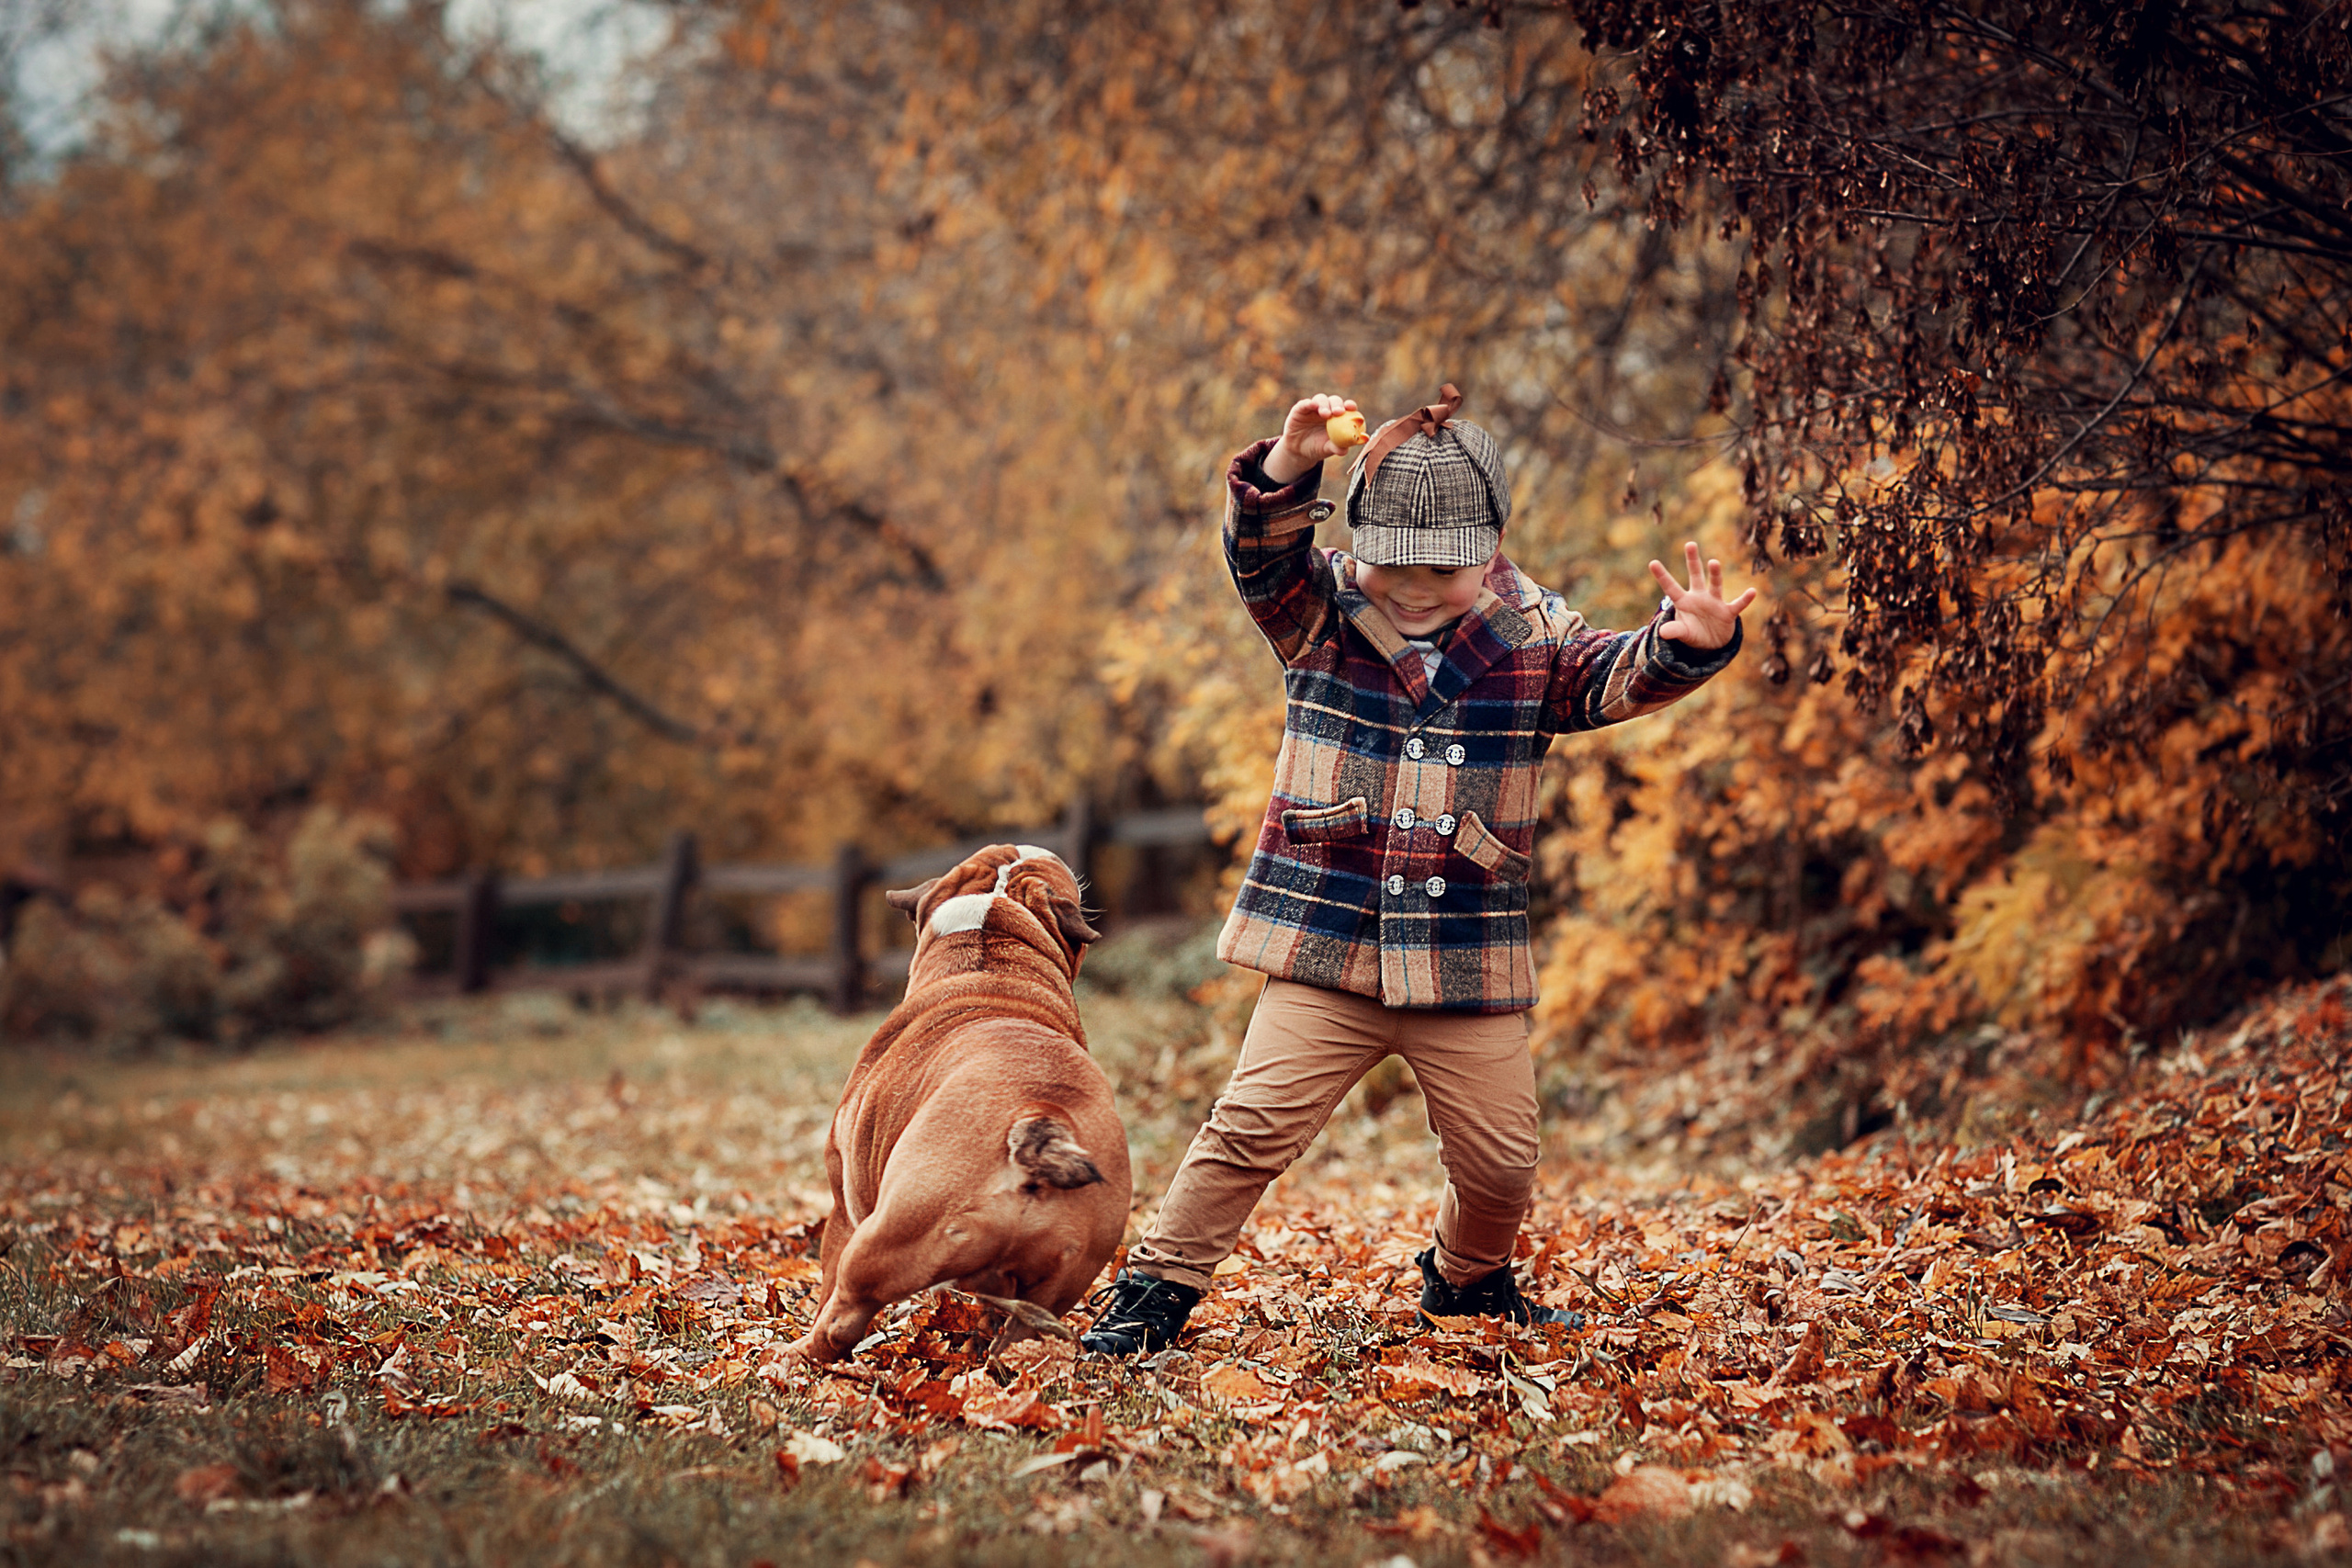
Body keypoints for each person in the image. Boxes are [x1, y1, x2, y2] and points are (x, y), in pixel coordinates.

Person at [1080, 385, 1755, 1355]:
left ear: (1489, 552)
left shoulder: (1534, 643)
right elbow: (1258, 551)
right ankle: (1155, 1295)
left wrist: (1689, 643)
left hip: (1463, 961)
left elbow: (1614, 676)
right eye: (1394, 564)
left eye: (1444, 567)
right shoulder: (1317, 613)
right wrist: (1289, 465)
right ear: (1360, 548)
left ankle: (1468, 1284)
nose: (1416, 586)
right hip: (1328, 942)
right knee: (1249, 1129)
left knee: (1501, 1165)